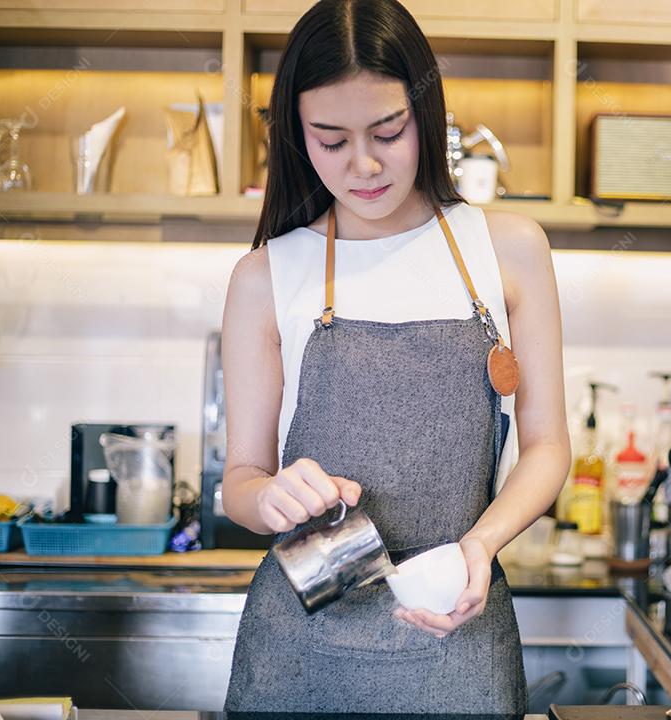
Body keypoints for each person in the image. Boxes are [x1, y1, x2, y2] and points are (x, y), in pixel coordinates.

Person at [219, 0, 571, 713]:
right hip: (298, 651)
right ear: (297, 135)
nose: (365, 164)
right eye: (330, 139)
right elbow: (239, 483)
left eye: (389, 130)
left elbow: (548, 447)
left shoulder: (507, 250)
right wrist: (270, 495)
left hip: (459, 634)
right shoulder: (265, 276)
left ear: (427, 114)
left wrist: (481, 546)